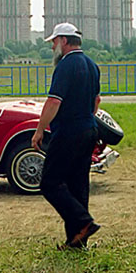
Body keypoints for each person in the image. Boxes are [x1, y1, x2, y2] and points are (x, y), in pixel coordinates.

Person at [31, 23, 101, 250]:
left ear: (63, 40)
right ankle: (77, 240)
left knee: (50, 183)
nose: (52, 47)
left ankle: (83, 222)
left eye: (53, 42)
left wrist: (40, 129)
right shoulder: (92, 65)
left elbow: (54, 101)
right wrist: (85, 121)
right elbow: (96, 101)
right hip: (88, 129)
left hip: (68, 131)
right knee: (77, 185)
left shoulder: (65, 66)